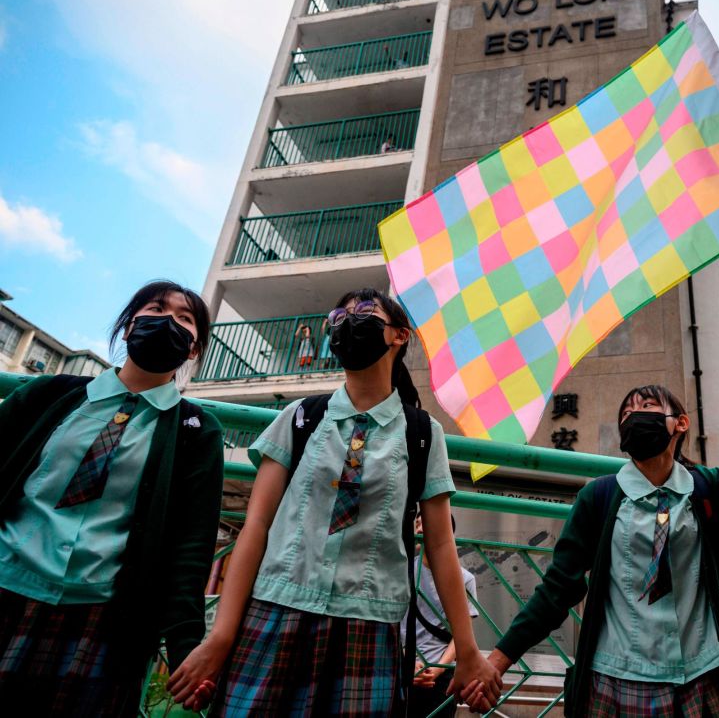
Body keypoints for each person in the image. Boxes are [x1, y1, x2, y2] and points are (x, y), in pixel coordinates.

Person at [473, 362, 719, 716]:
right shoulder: (598, 497)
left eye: (646, 408)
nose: (634, 416)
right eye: (626, 413)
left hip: (700, 677)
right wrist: (500, 660)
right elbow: (558, 590)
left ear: (680, 423)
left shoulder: (712, 489)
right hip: (614, 679)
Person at [169, 288, 501, 715]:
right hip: (274, 612)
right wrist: (219, 637)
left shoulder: (423, 433)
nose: (348, 319)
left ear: (399, 336)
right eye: (339, 315)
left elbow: (440, 546)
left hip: (370, 624)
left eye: (365, 311)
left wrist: (469, 652)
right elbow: (256, 528)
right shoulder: (301, 417)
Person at [0, 280, 223, 715]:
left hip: (103, 618)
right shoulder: (49, 395)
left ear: (194, 349)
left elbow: (191, 547)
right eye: (156, 309)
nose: (167, 321)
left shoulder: (197, 431)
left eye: (184, 318)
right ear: (128, 327)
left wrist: (184, 644)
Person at [405, 513, 479, 717]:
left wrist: (438, 669)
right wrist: (407, 661)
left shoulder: (465, 578)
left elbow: (461, 634)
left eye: (425, 524)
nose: (419, 529)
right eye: (417, 524)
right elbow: (391, 621)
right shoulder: (403, 570)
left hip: (442, 671)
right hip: (403, 667)